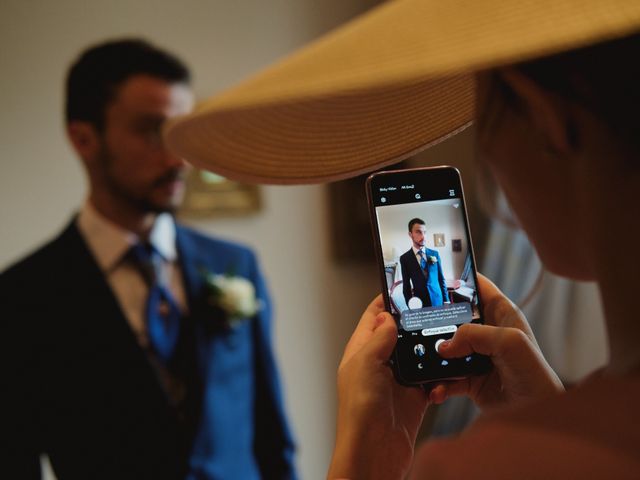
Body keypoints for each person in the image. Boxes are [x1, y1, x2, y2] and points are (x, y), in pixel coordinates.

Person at [156, 1, 640, 478]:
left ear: (543, 121)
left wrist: (366, 460)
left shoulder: (480, 467)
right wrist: (548, 411)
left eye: (483, 127)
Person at [0, 39, 296, 479]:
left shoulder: (235, 264)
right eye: (152, 130)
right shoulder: (23, 295)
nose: (179, 158)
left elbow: (272, 440)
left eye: (181, 131)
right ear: (84, 139)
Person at [399, 218, 449, 309]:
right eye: (418, 232)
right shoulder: (405, 258)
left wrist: (446, 300)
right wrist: (411, 306)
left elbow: (441, 279)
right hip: (420, 303)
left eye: (424, 232)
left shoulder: (435, 254)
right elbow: (406, 286)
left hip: (438, 300)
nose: (423, 236)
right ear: (410, 234)